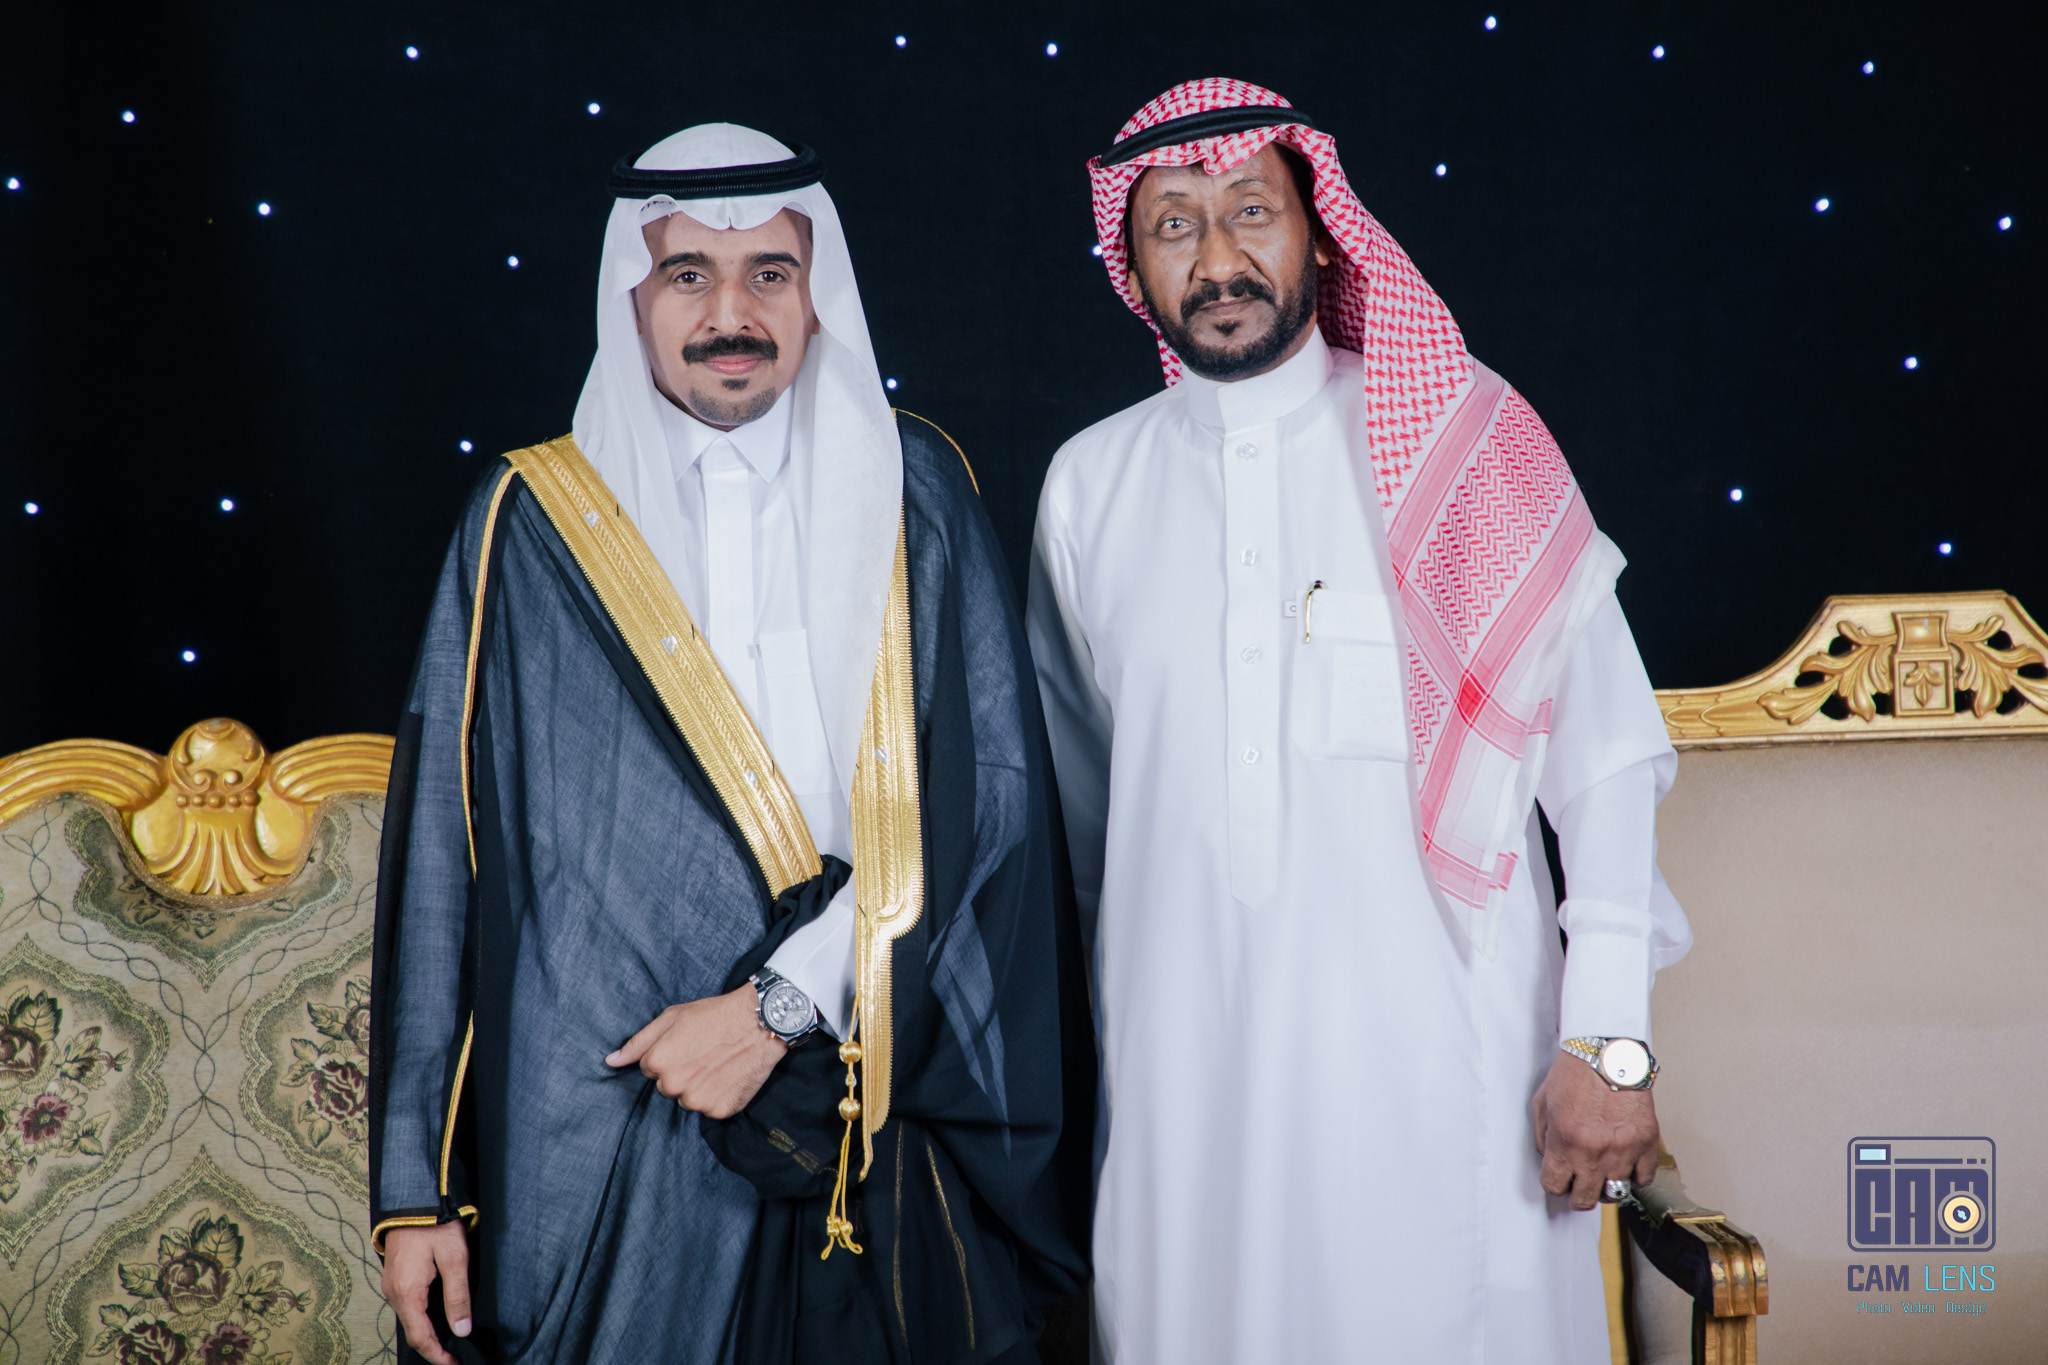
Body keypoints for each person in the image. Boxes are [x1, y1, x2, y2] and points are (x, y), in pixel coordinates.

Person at [370, 123, 1090, 1365]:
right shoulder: (529, 520)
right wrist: (415, 1186)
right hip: (605, 1120)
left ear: (817, 295)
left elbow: (992, 802)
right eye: (687, 274)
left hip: (870, 1083)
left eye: (770, 272)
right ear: (632, 298)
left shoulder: (915, 485)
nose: (730, 314)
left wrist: (780, 1005)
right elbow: (444, 856)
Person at [1026, 80, 1692, 1362]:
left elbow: (1605, 763)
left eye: (1248, 212)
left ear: (1320, 233)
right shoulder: (1087, 488)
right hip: (1183, 1094)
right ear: (1131, 265)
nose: (1216, 259)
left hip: (1446, 1085)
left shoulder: (1464, 442)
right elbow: (1083, 825)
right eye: (1172, 226)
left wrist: (1608, 1042)